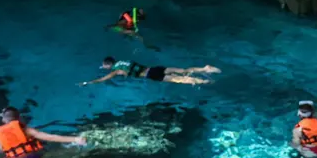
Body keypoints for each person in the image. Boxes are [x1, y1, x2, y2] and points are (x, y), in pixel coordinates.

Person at [0, 107, 87, 158]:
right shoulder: (26, 130)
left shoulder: (0, 135)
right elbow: (51, 138)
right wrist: (76, 139)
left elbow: (1, 150)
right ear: (17, 118)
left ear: (3, 120)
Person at [80, 57, 221, 86]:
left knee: (180, 80)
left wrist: (88, 82)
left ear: (108, 65)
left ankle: (205, 81)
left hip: (151, 75)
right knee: (183, 71)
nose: (104, 68)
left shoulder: (116, 71)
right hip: (155, 68)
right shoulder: (124, 61)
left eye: (104, 66)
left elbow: (103, 79)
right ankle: (205, 68)